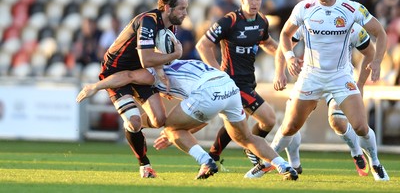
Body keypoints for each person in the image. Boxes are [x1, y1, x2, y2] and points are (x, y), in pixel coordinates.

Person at [246, 0, 389, 181]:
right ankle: (269, 163)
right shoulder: (305, 8)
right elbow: (285, 35)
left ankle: (376, 163)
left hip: (341, 76)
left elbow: (380, 33)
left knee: (359, 126)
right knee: (290, 126)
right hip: (311, 75)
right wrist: (290, 59)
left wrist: (377, 62)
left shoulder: (352, 9)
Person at [76, 59, 299, 180]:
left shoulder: (152, 72)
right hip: (228, 87)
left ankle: (206, 161)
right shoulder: (178, 64)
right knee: (246, 137)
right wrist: (182, 132)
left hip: (208, 91)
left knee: (171, 128)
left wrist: (96, 86)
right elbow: (204, 117)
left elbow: (127, 76)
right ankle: (283, 165)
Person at [89, 0, 186, 178]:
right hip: (115, 72)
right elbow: (147, 59)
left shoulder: (169, 26)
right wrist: (176, 54)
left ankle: (131, 126)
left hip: (139, 71)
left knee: (159, 120)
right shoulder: (148, 21)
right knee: (134, 122)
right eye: (182, 8)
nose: (185, 13)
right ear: (167, 7)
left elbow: (156, 56)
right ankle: (144, 164)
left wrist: (161, 75)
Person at [196, 0, 279, 168]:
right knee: (269, 119)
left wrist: (287, 57)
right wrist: (217, 73)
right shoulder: (230, 21)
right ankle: (252, 148)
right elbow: (203, 45)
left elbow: (268, 43)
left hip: (249, 81)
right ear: (242, 0)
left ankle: (212, 158)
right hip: (233, 84)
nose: (254, 2)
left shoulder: (262, 21)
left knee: (236, 125)